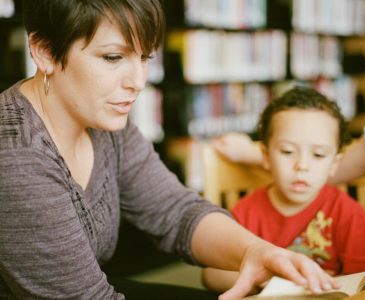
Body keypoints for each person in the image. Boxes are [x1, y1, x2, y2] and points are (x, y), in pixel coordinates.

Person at [0, 1, 340, 299]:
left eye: (145, 57)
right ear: (44, 51)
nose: (138, 80)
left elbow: (175, 212)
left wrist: (255, 250)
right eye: (114, 57)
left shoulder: (103, 122)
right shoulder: (16, 155)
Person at [202, 87, 365, 294]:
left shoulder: (349, 213)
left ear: (335, 163)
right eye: (288, 151)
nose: (302, 165)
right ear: (266, 156)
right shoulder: (246, 211)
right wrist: (273, 280)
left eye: (318, 154)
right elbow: (211, 275)